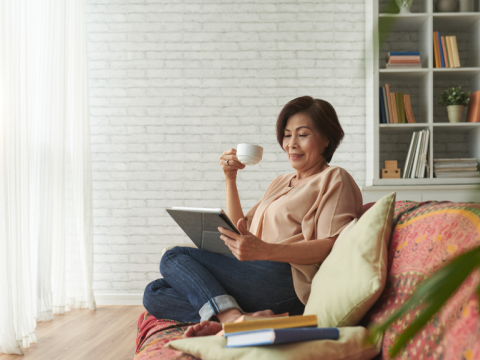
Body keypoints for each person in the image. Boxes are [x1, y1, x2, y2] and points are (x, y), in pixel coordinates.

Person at [142, 96, 363, 337]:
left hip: (286, 281)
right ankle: (248, 317)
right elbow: (240, 229)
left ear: (326, 139)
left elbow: (332, 246)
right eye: (287, 135)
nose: (292, 144)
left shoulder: (334, 178)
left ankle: (231, 317)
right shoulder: (280, 181)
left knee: (175, 255)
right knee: (155, 291)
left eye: (302, 134)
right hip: (255, 273)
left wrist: (266, 250)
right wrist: (230, 179)